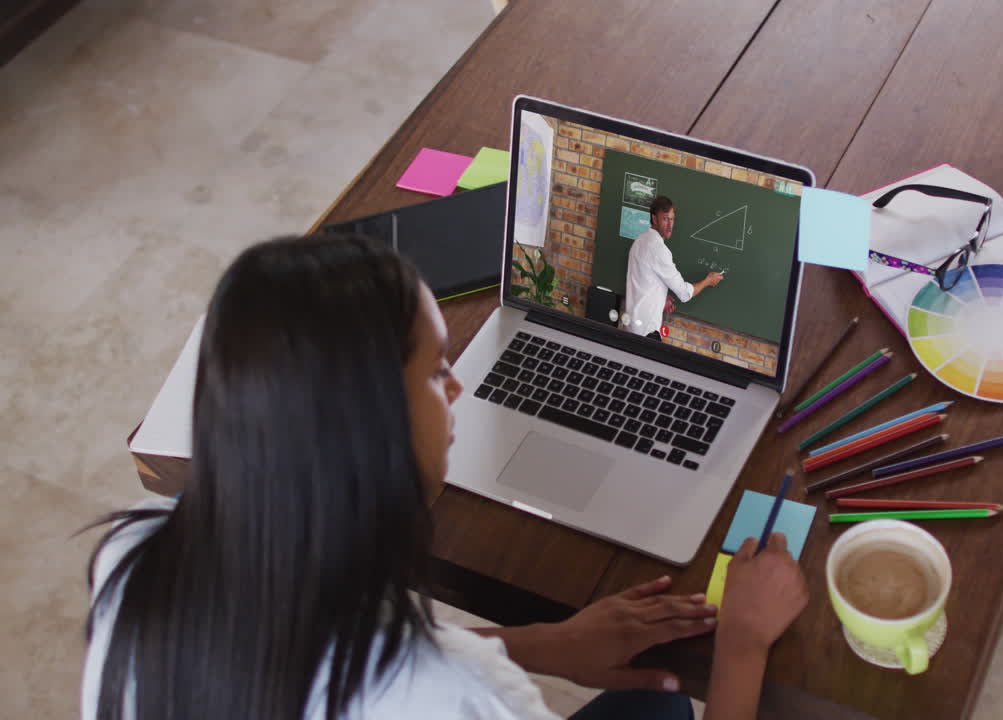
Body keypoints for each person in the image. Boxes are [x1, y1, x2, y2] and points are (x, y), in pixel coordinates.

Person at [82, 234, 808, 720]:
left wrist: (543, 644)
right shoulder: (456, 699)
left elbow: (327, 657)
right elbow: (425, 681)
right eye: (435, 371)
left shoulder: (135, 556)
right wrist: (742, 646)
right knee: (668, 702)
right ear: (373, 432)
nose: (459, 384)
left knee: (654, 703)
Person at [623, 196, 722, 341]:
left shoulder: (639, 241)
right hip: (646, 332)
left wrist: (661, 296)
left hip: (631, 326)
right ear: (654, 219)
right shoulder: (659, 250)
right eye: (665, 219)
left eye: (672, 219)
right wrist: (708, 281)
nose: (670, 225)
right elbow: (684, 293)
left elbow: (643, 281)